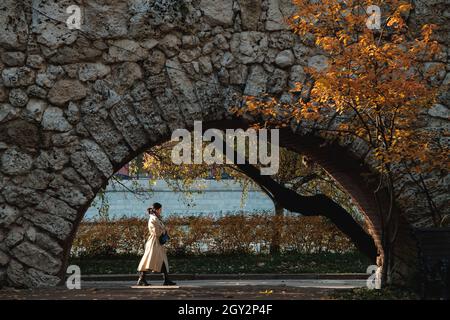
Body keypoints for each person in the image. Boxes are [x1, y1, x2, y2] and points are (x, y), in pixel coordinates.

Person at [137, 202, 176, 286]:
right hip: (154, 242)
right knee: (148, 260)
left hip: (157, 243)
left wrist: (164, 232)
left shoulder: (156, 218)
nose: (161, 211)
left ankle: (166, 280)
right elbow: (155, 231)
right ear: (157, 209)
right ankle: (141, 279)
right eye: (160, 209)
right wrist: (163, 232)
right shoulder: (153, 219)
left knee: (162, 261)